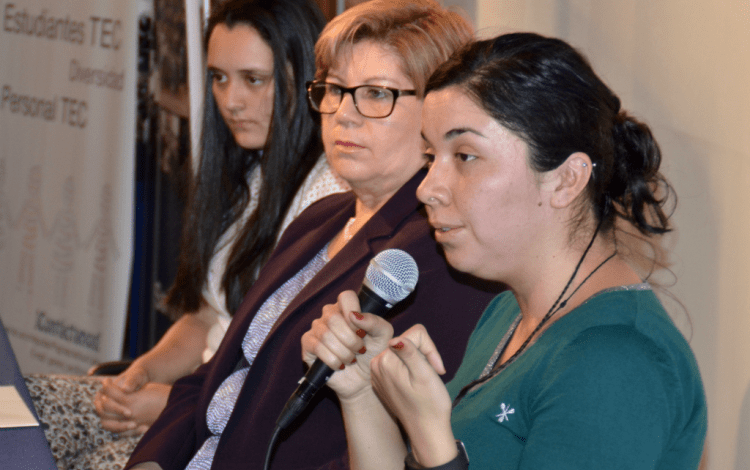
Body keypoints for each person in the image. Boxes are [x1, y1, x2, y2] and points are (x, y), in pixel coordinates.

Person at [302, 33, 708, 470]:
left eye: (465, 156)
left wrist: (432, 439)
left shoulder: (616, 361)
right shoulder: (506, 311)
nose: (427, 188)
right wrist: (361, 391)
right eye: (431, 156)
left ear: (567, 179)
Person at [124, 2, 500, 470]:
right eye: (335, 90)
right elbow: (217, 372)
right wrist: (153, 461)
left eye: (376, 94)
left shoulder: (440, 256)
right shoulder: (321, 217)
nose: (344, 114)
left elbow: (387, 446)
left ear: (438, 110)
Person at [25, 0, 347, 468]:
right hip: (187, 400)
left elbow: (278, 377)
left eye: (253, 79)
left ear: (307, 81)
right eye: (219, 77)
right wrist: (142, 371)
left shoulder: (329, 197)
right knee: (18, 411)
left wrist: (167, 403)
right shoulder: (250, 171)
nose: (230, 100)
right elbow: (206, 318)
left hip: (223, 427)